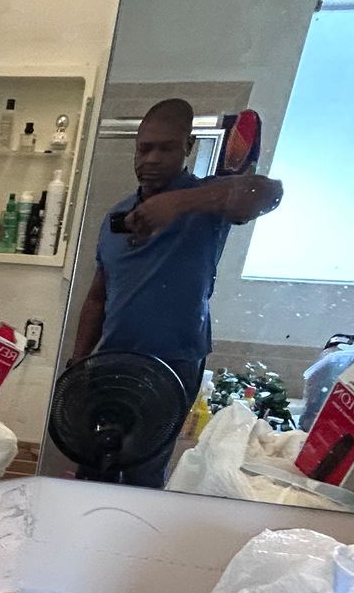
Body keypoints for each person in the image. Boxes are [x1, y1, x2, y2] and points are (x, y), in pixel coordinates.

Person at [68, 98, 282, 487]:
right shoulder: (117, 215)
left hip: (172, 365)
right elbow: (98, 296)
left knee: (141, 470)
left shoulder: (208, 203)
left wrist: (179, 203)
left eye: (165, 147)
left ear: (187, 147)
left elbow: (268, 193)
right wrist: (79, 361)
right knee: (92, 463)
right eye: (144, 148)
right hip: (113, 361)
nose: (151, 158)